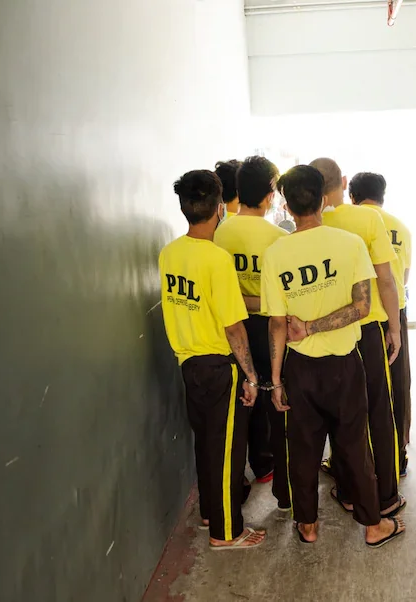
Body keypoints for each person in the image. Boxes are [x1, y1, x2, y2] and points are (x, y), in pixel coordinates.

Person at [261, 165, 405, 547]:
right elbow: (362, 307)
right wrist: (314, 327)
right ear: (323, 199)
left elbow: (276, 324)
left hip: (299, 369)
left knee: (303, 449)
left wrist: (275, 379)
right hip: (344, 365)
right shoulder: (350, 244)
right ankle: (373, 526)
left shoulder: (275, 254)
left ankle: (307, 525)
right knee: (355, 446)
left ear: (287, 207)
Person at [159, 169, 266, 550]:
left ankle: (210, 513)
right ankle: (226, 531)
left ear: (184, 209)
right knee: (228, 451)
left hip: (189, 363)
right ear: (220, 207)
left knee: (206, 443)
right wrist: (250, 376)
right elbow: (234, 327)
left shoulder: (170, 253)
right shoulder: (217, 260)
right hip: (219, 366)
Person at [307, 158, 405, 518]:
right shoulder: (368, 220)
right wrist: (394, 328)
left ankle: (348, 491)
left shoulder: (310, 227)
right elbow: (386, 279)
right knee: (379, 411)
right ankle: (386, 495)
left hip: (333, 334)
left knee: (344, 416)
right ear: (344, 182)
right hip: (369, 329)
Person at [213, 155, 290, 512]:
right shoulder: (279, 238)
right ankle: (275, 476)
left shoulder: (219, 233)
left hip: (231, 328)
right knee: (275, 396)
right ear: (270, 194)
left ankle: (248, 470)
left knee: (243, 398)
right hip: (269, 327)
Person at [349, 172, 414, 477]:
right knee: (397, 386)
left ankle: (361, 461)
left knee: (362, 392)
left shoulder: (350, 223)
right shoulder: (401, 227)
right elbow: (402, 276)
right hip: (395, 310)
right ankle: (398, 454)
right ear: (383, 196)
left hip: (361, 317)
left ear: (352, 197)